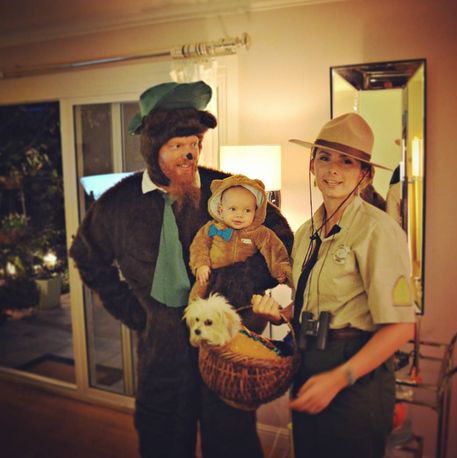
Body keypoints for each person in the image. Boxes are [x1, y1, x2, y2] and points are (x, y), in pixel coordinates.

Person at [69, 81, 293, 458]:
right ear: (151, 147)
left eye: (195, 144)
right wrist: (138, 314)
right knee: (163, 443)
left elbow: (279, 243)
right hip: (162, 358)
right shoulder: (118, 205)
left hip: (225, 353)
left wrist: (243, 311)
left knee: (233, 445)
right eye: (177, 146)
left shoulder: (227, 192)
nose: (190, 155)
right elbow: (87, 256)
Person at [252, 113, 415, 458]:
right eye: (324, 157)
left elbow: (401, 327)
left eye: (347, 161)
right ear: (311, 165)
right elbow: (310, 298)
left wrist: (338, 379)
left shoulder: (378, 230)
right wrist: (280, 314)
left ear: (365, 174)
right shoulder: (305, 231)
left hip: (357, 376)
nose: (333, 169)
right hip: (309, 360)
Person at [189, 174, 292, 302]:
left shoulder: (259, 233)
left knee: (254, 304)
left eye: (247, 210)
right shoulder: (213, 228)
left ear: (256, 212)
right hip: (212, 276)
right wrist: (201, 265)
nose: (239, 215)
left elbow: (274, 250)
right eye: (233, 209)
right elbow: (199, 245)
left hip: (244, 282)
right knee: (197, 298)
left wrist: (279, 270)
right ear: (221, 210)